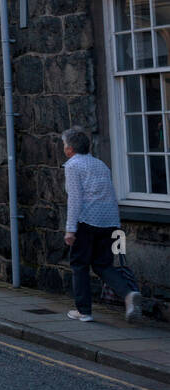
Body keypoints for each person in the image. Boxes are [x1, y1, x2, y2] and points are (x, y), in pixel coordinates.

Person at [62, 127, 141, 322]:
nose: (64, 148)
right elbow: (110, 195)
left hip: (87, 221)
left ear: (70, 149)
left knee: (79, 265)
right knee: (103, 264)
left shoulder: (73, 165)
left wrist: (70, 229)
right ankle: (128, 295)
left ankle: (83, 311)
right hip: (109, 221)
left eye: (64, 145)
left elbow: (75, 199)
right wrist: (117, 224)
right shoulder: (100, 164)